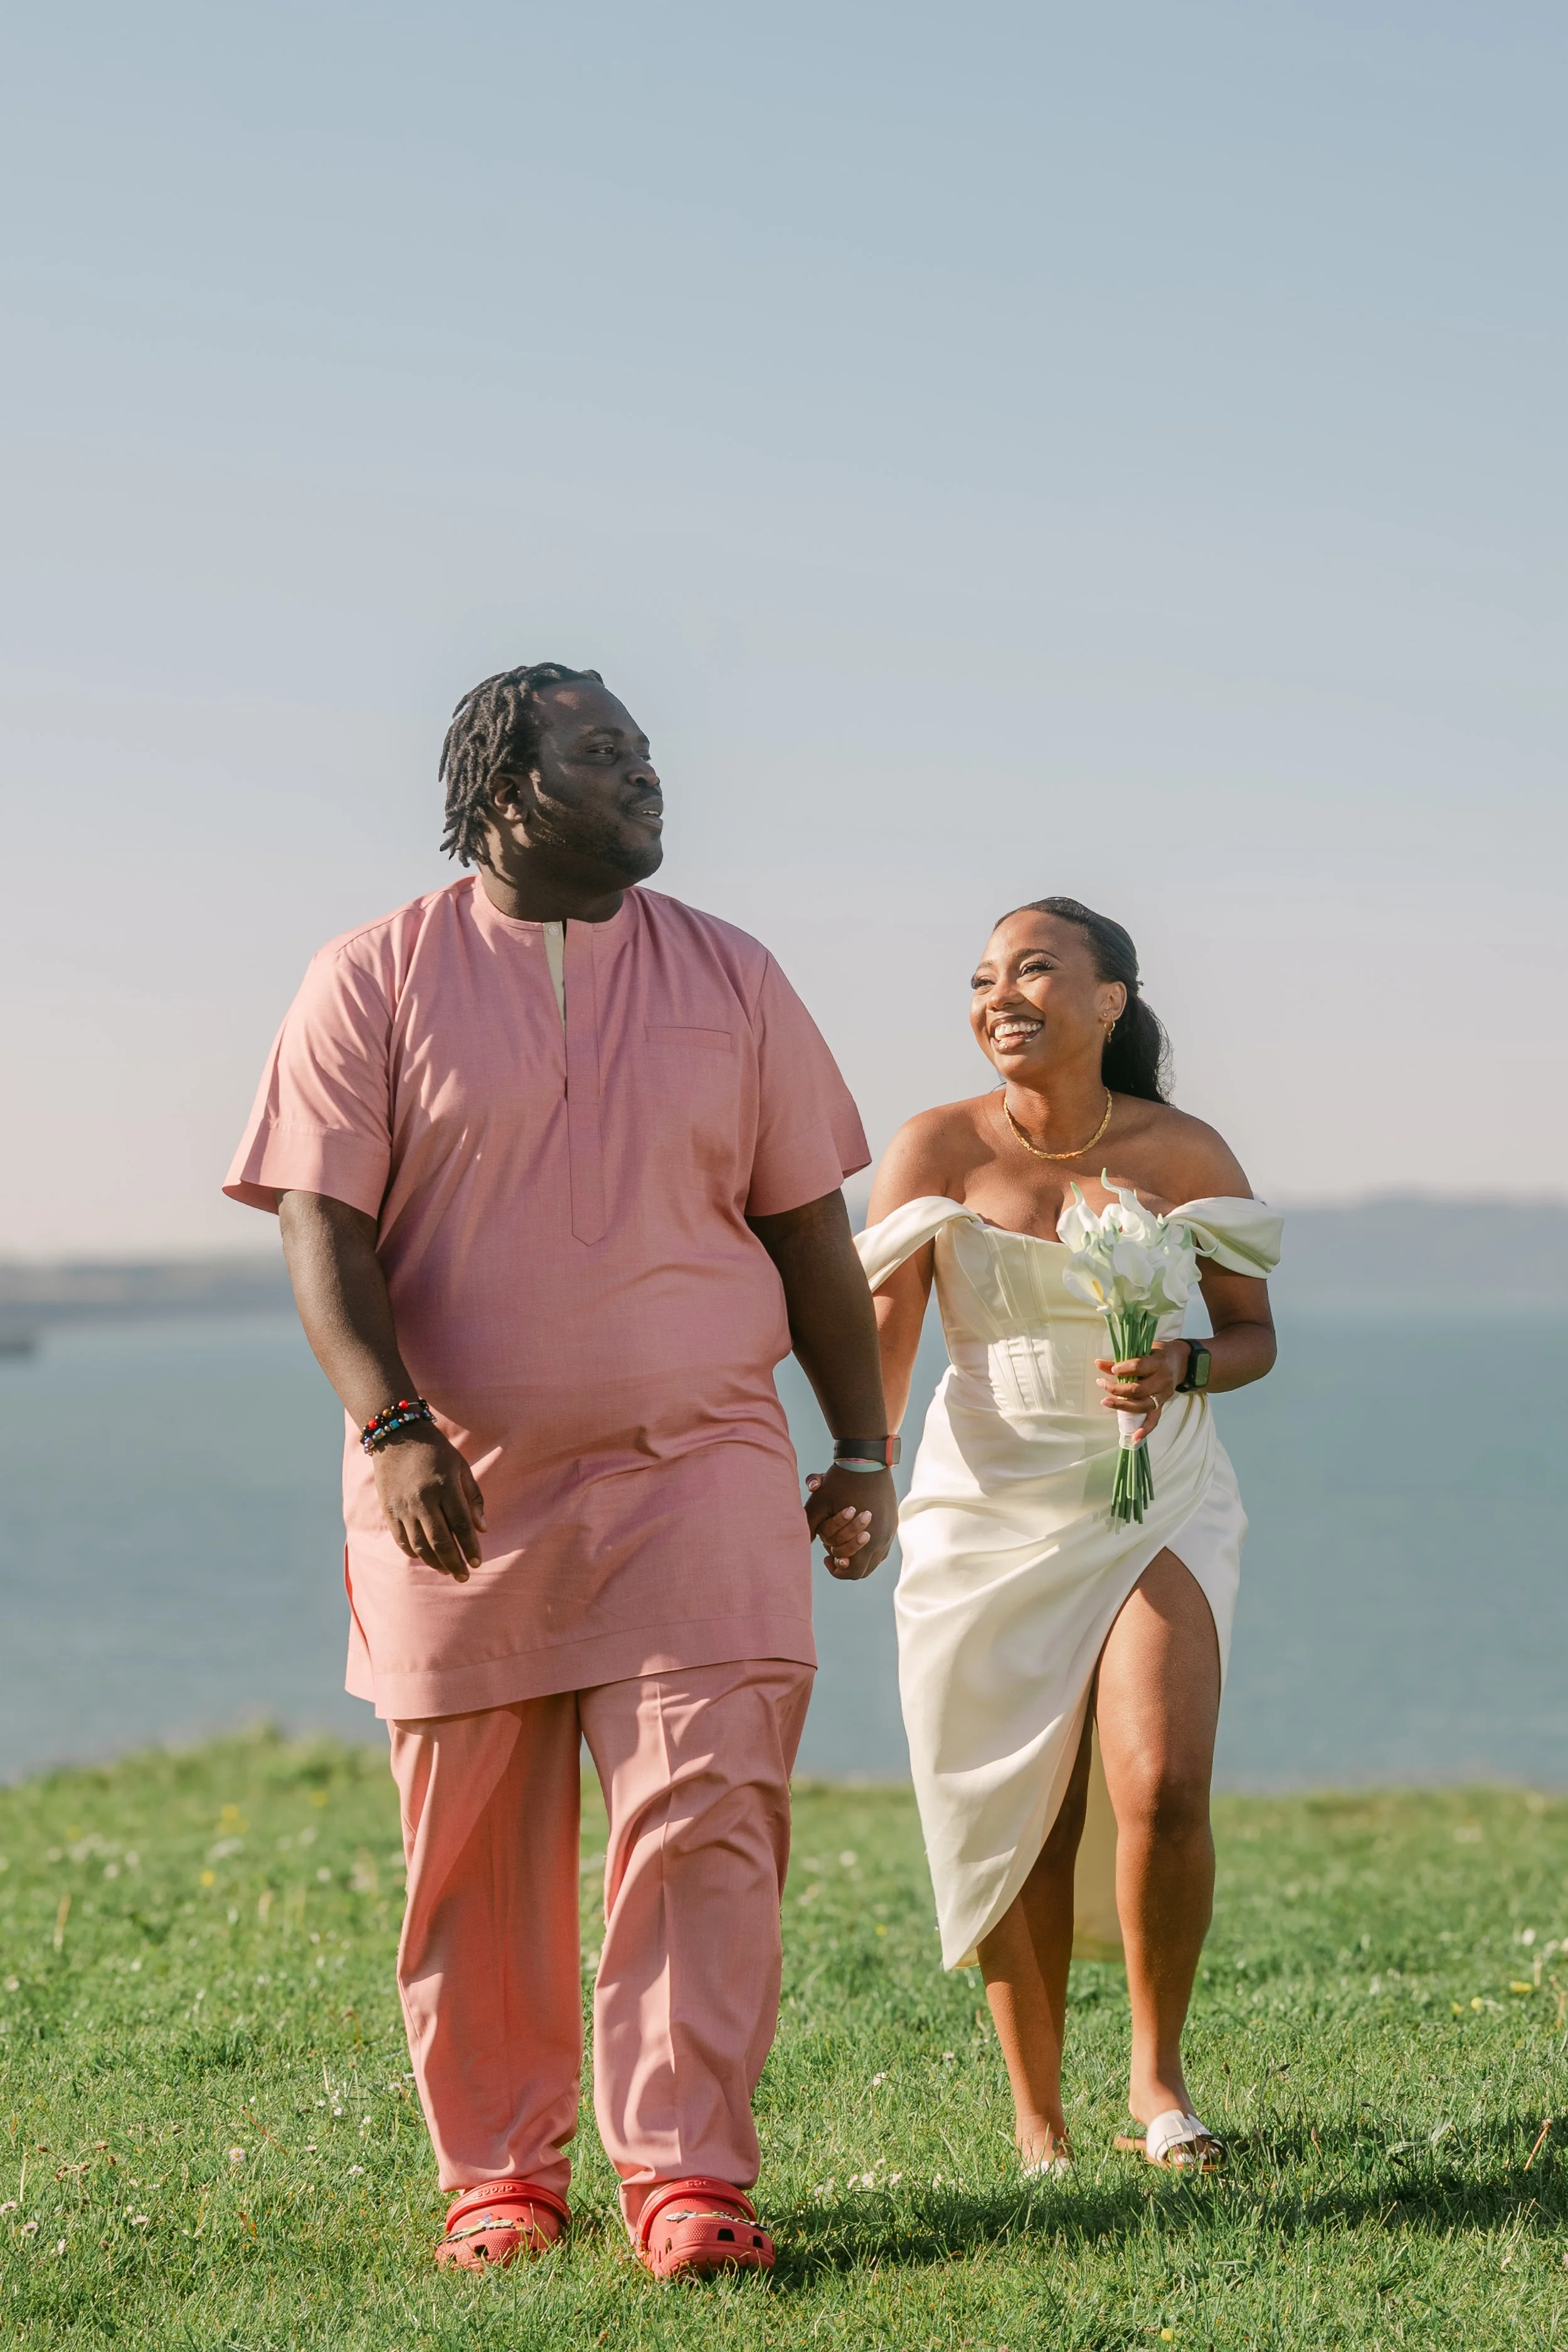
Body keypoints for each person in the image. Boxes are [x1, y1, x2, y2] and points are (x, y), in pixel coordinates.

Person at [224, 662, 898, 2279]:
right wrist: (393, 1429)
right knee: (474, 1852)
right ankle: (499, 2180)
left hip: (700, 1466)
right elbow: (323, 1223)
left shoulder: (732, 973)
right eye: (605, 753)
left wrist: (861, 1442)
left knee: (709, 1814)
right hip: (453, 1486)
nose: (648, 775)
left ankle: (687, 2176)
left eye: (646, 751)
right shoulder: (370, 975)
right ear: (506, 789)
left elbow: (809, 1229)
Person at [857, 897, 1281, 2176]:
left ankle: (1158, 2083)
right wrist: (862, 1467)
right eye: (984, 976)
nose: (1001, 995)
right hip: (985, 1504)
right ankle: (1037, 2121)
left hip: (1158, 1492)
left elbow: (1253, 1335)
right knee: (1022, 1805)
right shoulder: (933, 1145)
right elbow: (885, 1333)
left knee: (1164, 1783)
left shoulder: (1182, 1149)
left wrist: (1184, 1365)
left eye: (1034, 969)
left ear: (1108, 1000)